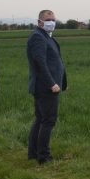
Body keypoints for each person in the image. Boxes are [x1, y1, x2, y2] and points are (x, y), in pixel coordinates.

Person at [27, 9, 67, 165]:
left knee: (40, 119)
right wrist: (52, 83)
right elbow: (40, 64)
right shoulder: (38, 37)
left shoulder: (46, 37)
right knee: (48, 120)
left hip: (49, 85)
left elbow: (56, 62)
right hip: (45, 86)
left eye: (53, 20)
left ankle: (33, 153)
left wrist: (63, 82)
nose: (52, 22)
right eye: (48, 19)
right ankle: (44, 156)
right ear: (39, 22)